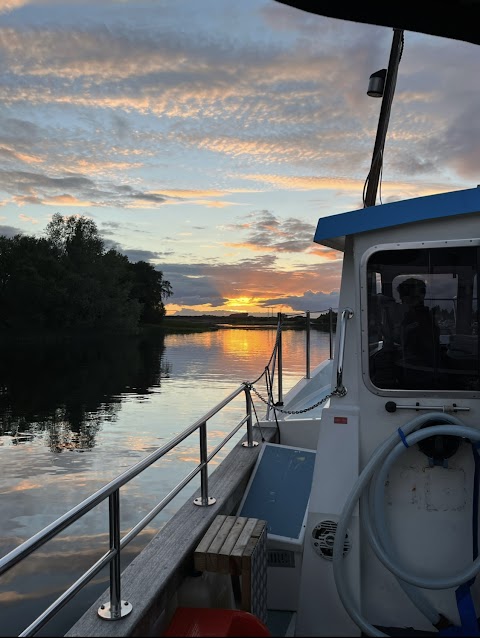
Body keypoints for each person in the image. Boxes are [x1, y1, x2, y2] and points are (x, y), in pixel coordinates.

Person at [395, 277, 440, 387]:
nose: (401, 299)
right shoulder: (416, 315)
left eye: (405, 294)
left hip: (419, 371)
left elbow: (424, 346)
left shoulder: (419, 316)